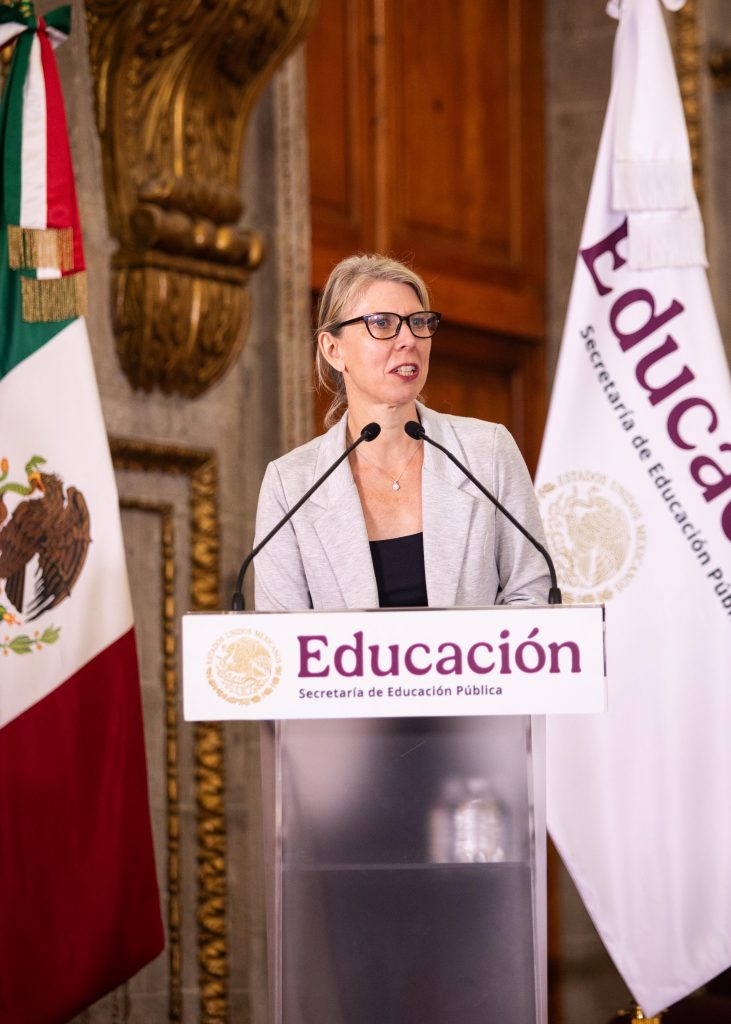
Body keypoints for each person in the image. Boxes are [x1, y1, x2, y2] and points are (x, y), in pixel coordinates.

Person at [254, 253, 549, 611]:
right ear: (333, 349)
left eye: (419, 322)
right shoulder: (291, 485)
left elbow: (532, 596)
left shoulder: (486, 452)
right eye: (382, 323)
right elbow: (280, 633)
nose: (409, 339)